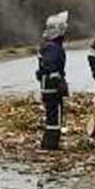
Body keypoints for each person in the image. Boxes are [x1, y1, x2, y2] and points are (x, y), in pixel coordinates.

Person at [35, 11, 69, 151]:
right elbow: (50, 66)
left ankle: (49, 143)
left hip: (47, 86)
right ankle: (51, 144)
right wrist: (59, 83)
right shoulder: (52, 48)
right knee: (54, 117)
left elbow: (42, 69)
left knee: (52, 115)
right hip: (51, 87)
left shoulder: (48, 46)